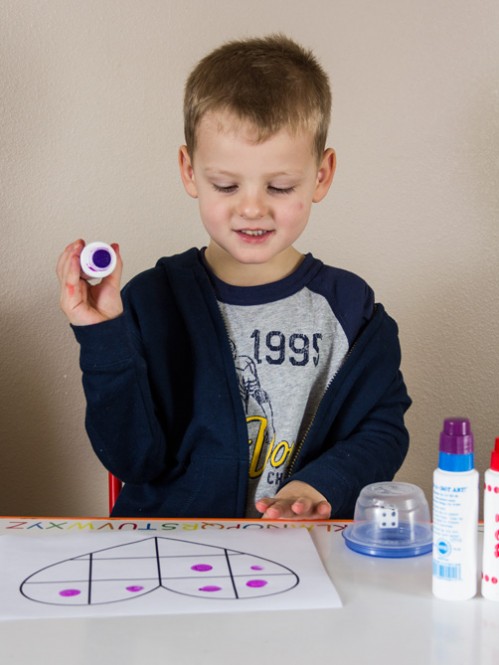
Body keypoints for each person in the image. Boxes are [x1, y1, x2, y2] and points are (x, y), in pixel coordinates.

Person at [56, 34, 411, 520]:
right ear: (189, 171)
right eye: (226, 184)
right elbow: (132, 458)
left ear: (322, 175)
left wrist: (316, 486)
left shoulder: (349, 309)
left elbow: (381, 429)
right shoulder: (152, 300)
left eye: (280, 186)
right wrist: (102, 337)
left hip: (301, 555)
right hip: (174, 553)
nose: (252, 207)